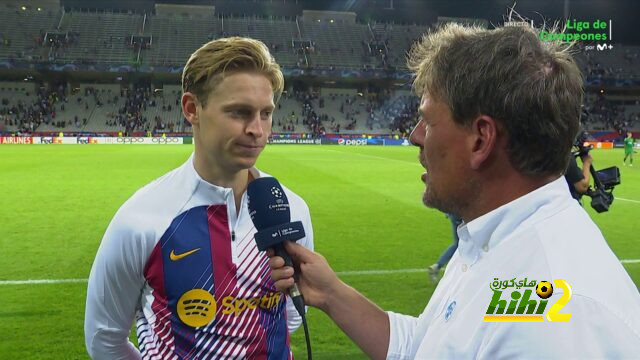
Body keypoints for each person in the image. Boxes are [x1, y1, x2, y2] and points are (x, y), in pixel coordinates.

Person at [269, 23, 640, 358]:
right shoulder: (495, 239)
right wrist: (332, 295)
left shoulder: (555, 318)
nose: (414, 137)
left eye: (428, 121)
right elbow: (427, 347)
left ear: (481, 139)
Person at [84, 37, 314, 359]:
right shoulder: (140, 219)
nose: (257, 130)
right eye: (239, 112)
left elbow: (290, 317)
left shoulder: (291, 211)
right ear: (192, 109)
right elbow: (104, 340)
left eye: (266, 113)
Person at [427, 213, 462, 283]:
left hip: (454, 215)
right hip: (462, 216)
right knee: (461, 245)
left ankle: (437, 266)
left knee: (458, 244)